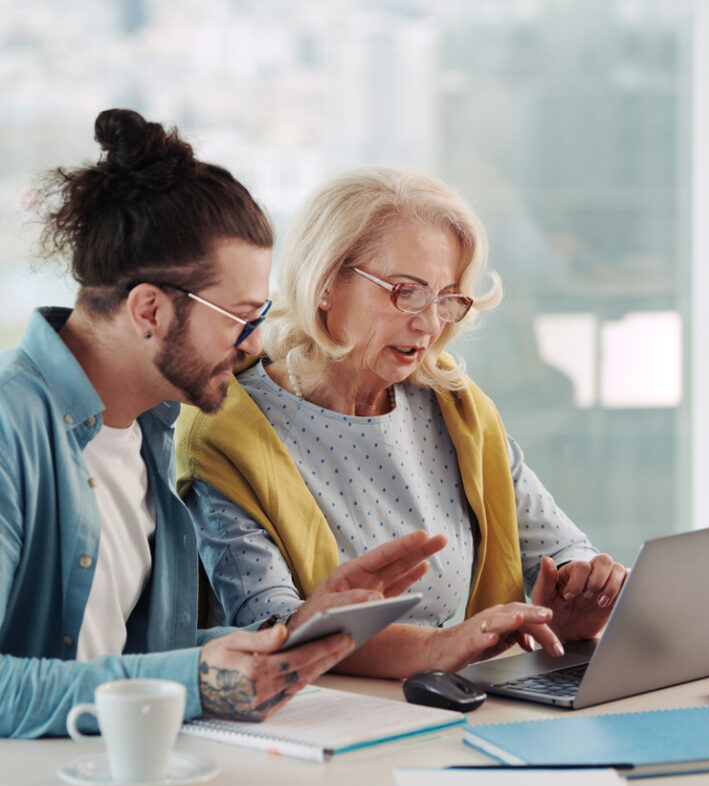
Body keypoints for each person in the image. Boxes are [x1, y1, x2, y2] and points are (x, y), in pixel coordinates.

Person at [0, 113, 447, 738]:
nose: (254, 343)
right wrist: (196, 683)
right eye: (240, 316)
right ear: (149, 310)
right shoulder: (12, 430)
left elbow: (126, 656)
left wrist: (296, 631)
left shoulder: (147, 433)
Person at [177, 166, 628, 679]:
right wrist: (445, 646)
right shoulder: (226, 430)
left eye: (446, 298)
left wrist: (582, 585)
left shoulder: (455, 407)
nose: (430, 323)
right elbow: (272, 627)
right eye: (406, 292)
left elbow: (559, 546)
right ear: (326, 283)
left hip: (455, 699)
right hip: (321, 712)